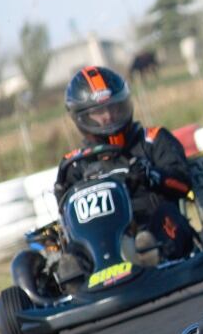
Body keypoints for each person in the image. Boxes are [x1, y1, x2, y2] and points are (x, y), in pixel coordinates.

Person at [55, 65, 195, 261]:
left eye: (113, 107)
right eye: (100, 111)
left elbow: (184, 184)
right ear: (82, 117)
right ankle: (75, 273)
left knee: (165, 216)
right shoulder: (75, 164)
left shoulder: (152, 139)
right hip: (102, 238)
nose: (109, 116)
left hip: (152, 225)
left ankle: (149, 253)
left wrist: (152, 176)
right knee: (70, 250)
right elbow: (68, 215)